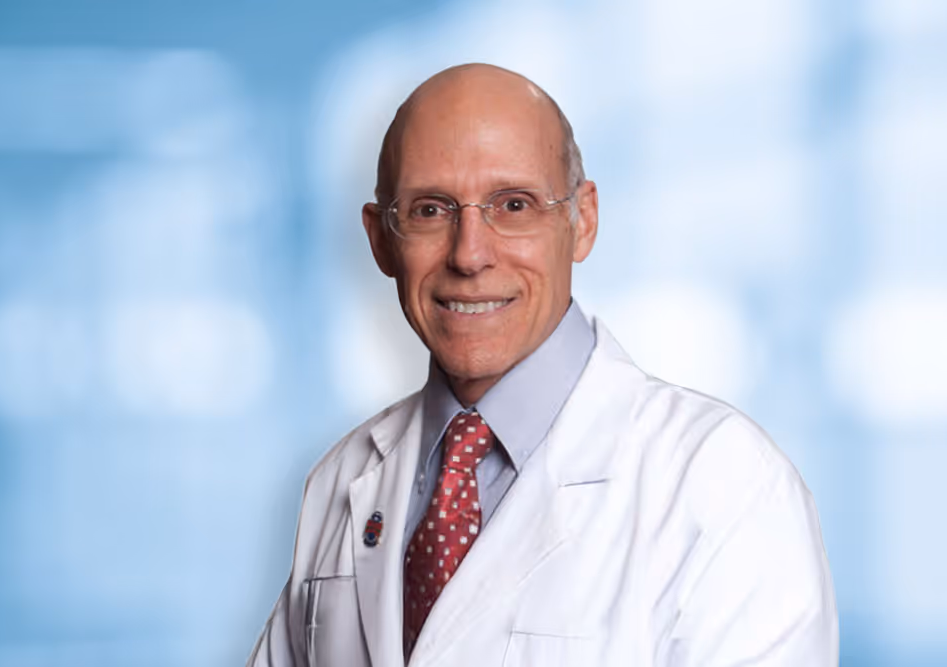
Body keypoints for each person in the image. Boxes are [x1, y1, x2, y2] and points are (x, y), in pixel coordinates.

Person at [246, 63, 839, 667]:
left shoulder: (724, 485)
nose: (470, 255)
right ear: (380, 240)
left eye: (513, 204)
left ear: (583, 220)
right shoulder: (341, 479)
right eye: (430, 210)